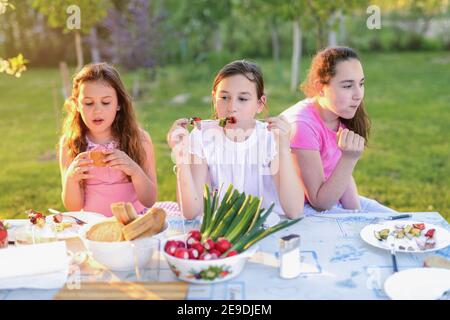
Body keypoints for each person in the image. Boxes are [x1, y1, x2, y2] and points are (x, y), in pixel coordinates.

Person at [167, 60, 304, 221]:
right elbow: (190, 212)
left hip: (267, 227)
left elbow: (294, 211)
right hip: (221, 230)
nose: (231, 107)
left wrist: (282, 148)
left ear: (260, 104)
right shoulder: (202, 137)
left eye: (243, 99)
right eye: (224, 97)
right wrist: (181, 156)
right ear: (214, 99)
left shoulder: (270, 139)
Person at [282, 47, 395, 214]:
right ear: (320, 87)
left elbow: (341, 175)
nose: (358, 94)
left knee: (398, 220)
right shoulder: (303, 127)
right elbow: (319, 202)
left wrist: (358, 214)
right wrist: (349, 158)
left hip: (331, 192)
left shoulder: (339, 112)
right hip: (300, 209)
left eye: (361, 84)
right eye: (348, 85)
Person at [58, 63, 157, 217]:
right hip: (93, 227)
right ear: (77, 104)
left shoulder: (140, 139)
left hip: (134, 224)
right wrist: (71, 178)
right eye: (89, 103)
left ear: (119, 104)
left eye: (105, 102)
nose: (97, 110)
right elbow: (73, 207)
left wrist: (134, 170)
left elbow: (150, 200)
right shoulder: (70, 143)